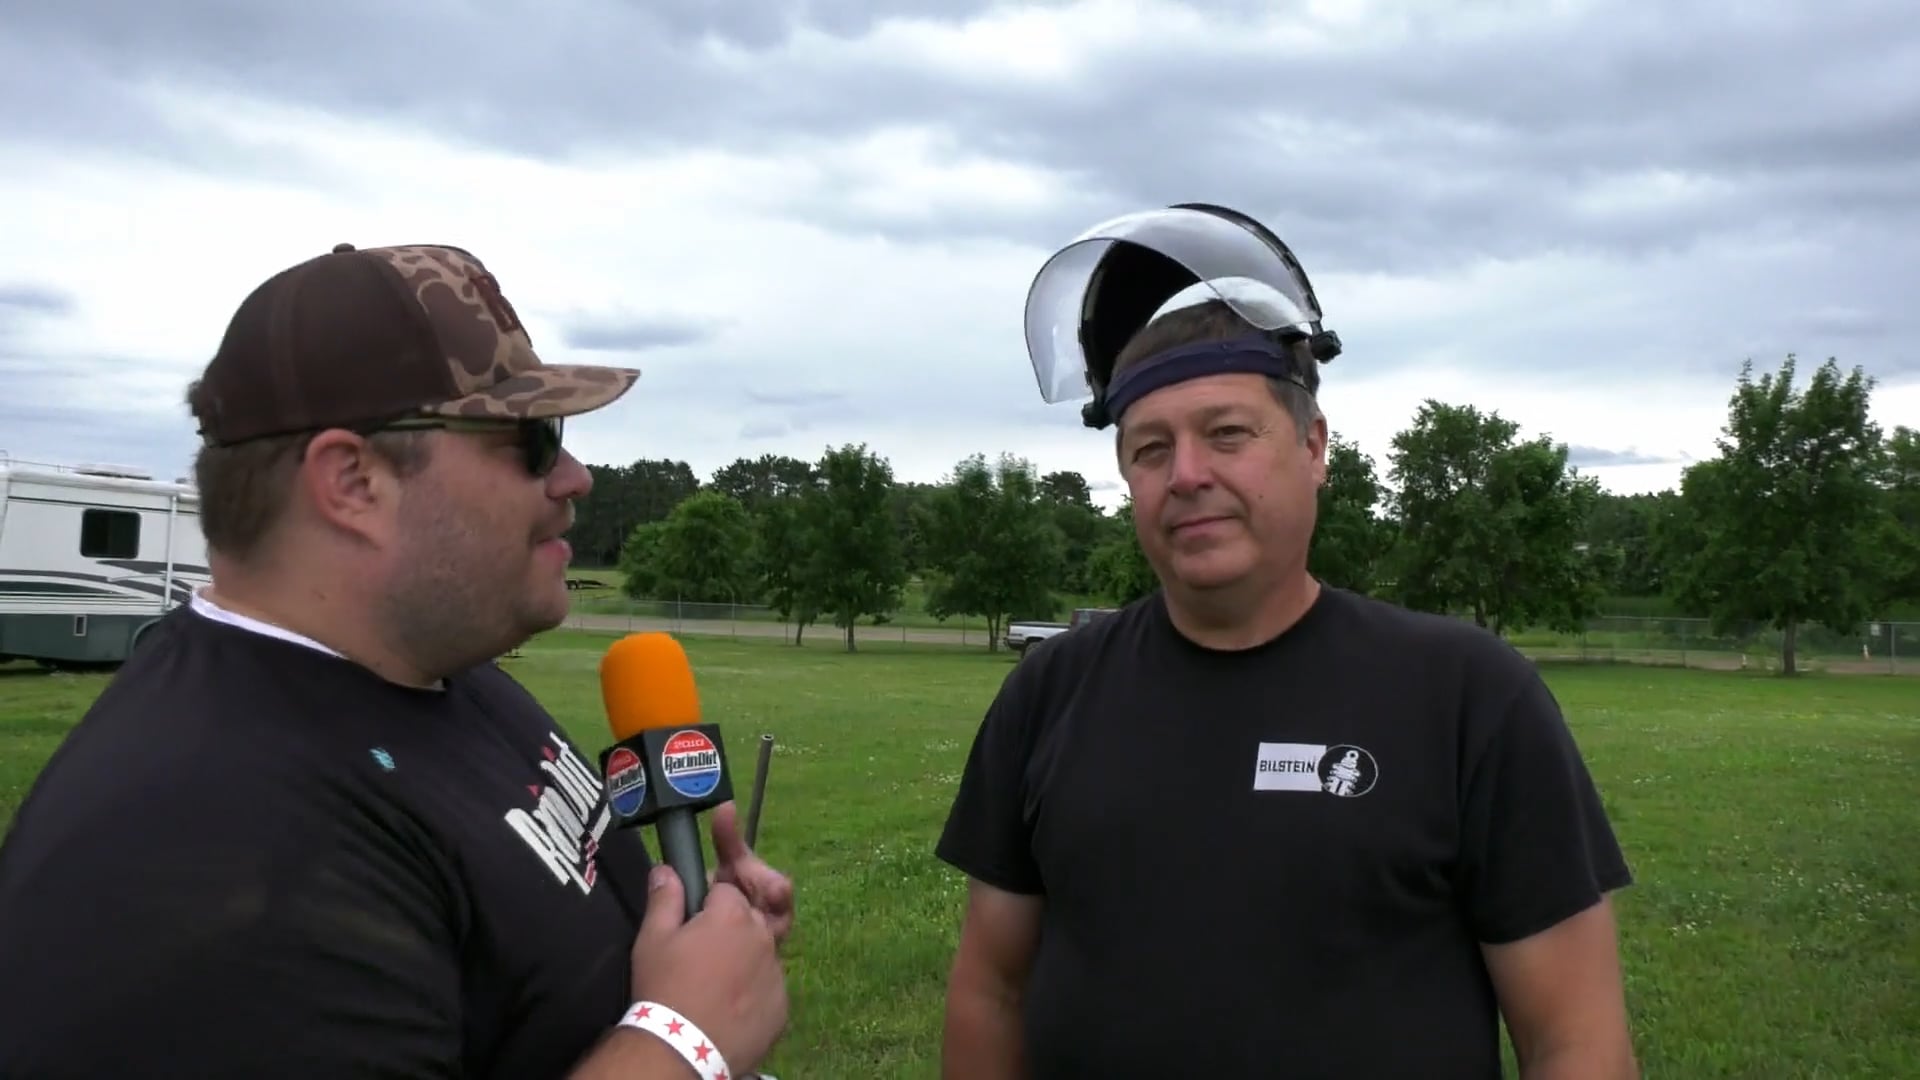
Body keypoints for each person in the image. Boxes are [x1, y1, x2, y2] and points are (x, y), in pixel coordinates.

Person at [0, 242, 793, 1079]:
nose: (575, 476)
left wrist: (701, 935)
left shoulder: (437, 673)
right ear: (353, 482)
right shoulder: (205, 849)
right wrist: (682, 1043)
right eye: (532, 437)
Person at [935, 205, 1638, 1078]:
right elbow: (990, 990)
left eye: (1227, 433)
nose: (1187, 474)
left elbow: (1574, 1036)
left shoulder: (1467, 697)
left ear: (1313, 447)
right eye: (1151, 449)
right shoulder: (1050, 694)